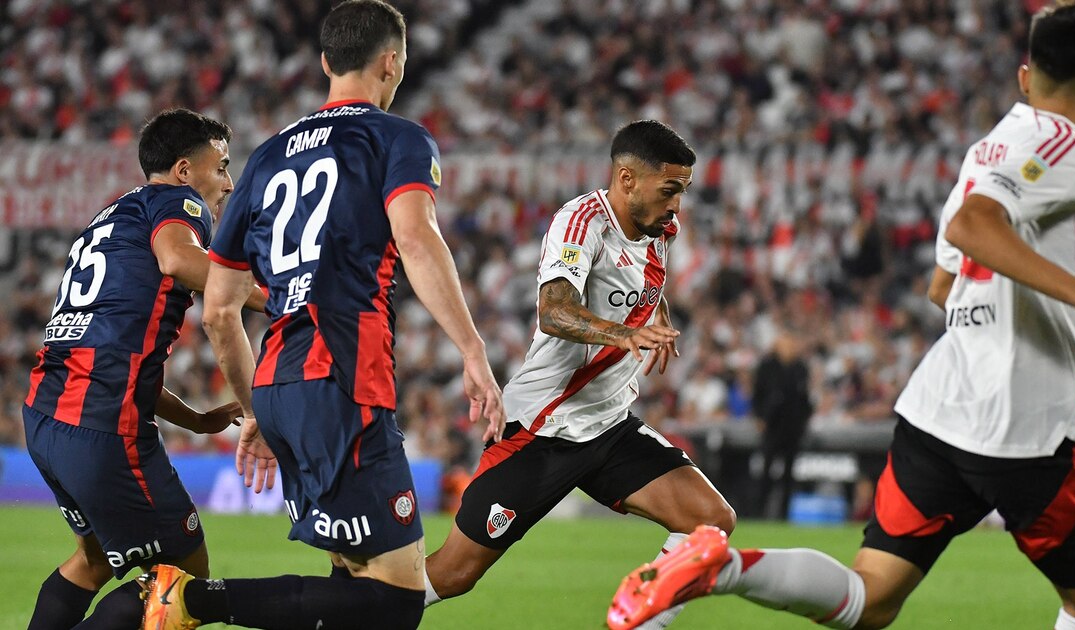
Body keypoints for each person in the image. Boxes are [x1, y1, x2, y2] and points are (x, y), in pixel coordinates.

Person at [607, 3, 1075, 630]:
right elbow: (972, 229)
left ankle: (720, 567)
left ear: (1024, 76)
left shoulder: (989, 150)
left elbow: (943, 285)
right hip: (1023, 428)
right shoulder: (1066, 147)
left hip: (941, 411)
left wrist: (1059, 354)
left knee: (870, 598)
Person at [138, 1, 505, 629]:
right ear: (393, 62)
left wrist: (256, 409)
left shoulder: (265, 158)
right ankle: (189, 600)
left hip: (280, 387)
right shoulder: (396, 138)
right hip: (342, 383)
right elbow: (415, 239)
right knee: (395, 598)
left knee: (353, 581)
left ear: (326, 62)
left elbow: (222, 311)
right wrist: (473, 350)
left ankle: (187, 600)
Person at [423, 119, 736, 630]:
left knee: (711, 521)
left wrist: (657, 315)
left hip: (609, 426)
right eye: (670, 189)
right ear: (627, 179)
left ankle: (638, 621)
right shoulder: (581, 222)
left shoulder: (661, 228)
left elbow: (642, 277)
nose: (678, 204)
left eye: (684, 190)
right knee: (454, 574)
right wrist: (622, 334)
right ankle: (355, 611)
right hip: (545, 428)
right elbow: (554, 311)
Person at [23, 108, 264, 630]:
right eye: (220, 166)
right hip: (103, 426)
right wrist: (272, 297)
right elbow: (180, 259)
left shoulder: (110, 216)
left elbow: (111, 350)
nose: (227, 182)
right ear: (183, 170)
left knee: (91, 562)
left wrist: (196, 421)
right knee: (183, 581)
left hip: (47, 415)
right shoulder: (180, 203)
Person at [751, 328, 813, 519]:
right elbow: (757, 395)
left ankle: (784, 515)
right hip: (772, 426)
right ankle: (759, 512)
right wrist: (759, 417)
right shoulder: (767, 366)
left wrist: (804, 421)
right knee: (766, 472)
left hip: (792, 427)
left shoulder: (800, 368)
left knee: (788, 474)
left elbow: (804, 398)